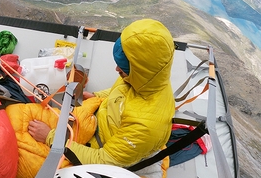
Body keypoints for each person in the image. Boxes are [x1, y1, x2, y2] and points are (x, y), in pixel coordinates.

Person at [28, 18, 175, 170]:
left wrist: (50, 138)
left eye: (123, 67)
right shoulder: (148, 79)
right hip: (92, 120)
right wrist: (97, 96)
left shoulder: (146, 127)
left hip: (94, 148)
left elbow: (103, 161)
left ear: (140, 71)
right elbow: (124, 90)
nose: (117, 69)